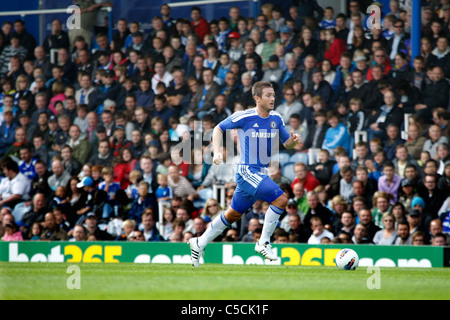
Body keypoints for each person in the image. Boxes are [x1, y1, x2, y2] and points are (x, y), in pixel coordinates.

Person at [189, 81, 302, 267]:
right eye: (268, 95)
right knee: (282, 199)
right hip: (247, 171)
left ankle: (199, 242)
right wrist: (217, 151)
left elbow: (286, 143)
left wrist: (293, 141)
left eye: (273, 95)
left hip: (260, 172)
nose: (272, 98)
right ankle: (263, 242)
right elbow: (218, 128)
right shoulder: (244, 116)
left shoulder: (276, 118)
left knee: (232, 215)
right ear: (257, 98)